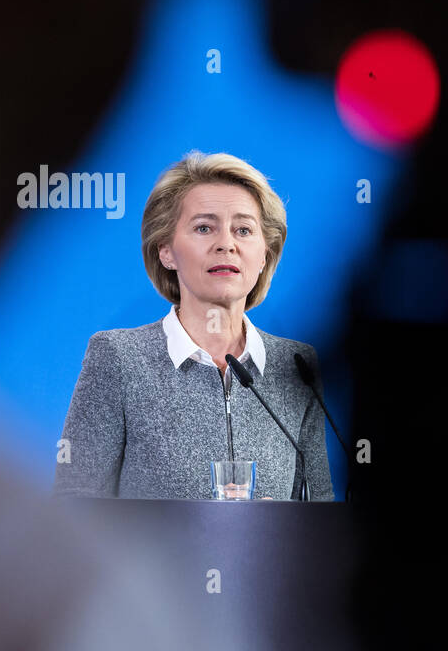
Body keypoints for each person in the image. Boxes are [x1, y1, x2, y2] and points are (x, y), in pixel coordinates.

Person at [54, 151, 334, 500]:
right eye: (204, 228)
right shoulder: (118, 359)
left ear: (265, 254)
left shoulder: (297, 365)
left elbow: (320, 513)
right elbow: (75, 505)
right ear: (166, 251)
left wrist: (278, 526)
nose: (226, 244)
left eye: (243, 230)